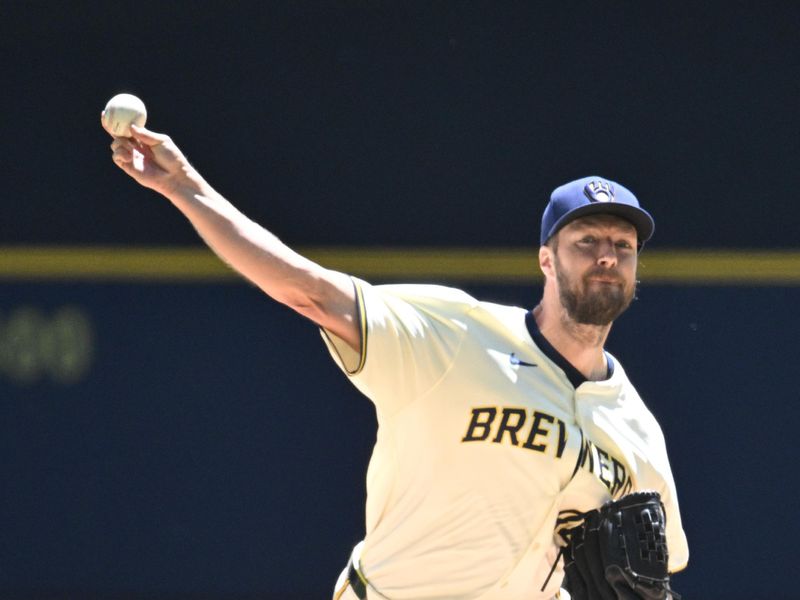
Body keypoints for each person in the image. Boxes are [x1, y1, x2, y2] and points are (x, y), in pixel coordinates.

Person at [107, 122, 689, 600]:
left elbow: (657, 570)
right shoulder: (457, 335)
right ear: (546, 259)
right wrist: (187, 188)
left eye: (623, 246)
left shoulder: (635, 427)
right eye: (586, 241)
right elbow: (306, 288)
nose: (607, 257)